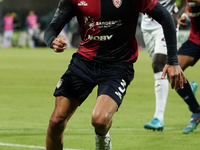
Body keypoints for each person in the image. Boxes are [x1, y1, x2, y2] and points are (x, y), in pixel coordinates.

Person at [43, 0, 186, 149]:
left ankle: (103, 139)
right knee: (56, 121)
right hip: (83, 63)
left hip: (117, 66)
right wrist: (53, 41)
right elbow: (52, 28)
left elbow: (166, 17)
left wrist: (173, 61)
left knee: (100, 120)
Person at [141, 0, 187, 131]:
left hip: (165, 25)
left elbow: (185, 2)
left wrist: (177, 16)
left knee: (158, 64)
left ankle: (158, 118)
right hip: (147, 28)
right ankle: (186, 87)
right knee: (161, 72)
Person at [177, 0, 200, 134]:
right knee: (174, 72)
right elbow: (188, 7)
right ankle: (196, 111)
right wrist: (185, 15)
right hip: (195, 40)